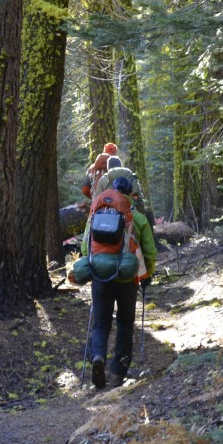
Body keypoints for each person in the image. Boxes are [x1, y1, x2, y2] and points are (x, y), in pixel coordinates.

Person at [82, 176, 157, 389]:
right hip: (127, 277)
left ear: (112, 191)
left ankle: (98, 357)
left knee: (100, 323)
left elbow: (85, 247)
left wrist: (96, 265)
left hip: (100, 276)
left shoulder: (96, 213)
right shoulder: (138, 218)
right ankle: (117, 373)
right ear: (131, 194)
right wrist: (147, 275)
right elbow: (150, 252)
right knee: (125, 323)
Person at [91, 155, 152, 225]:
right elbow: (138, 196)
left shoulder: (104, 178)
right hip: (130, 212)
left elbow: (96, 200)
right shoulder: (130, 174)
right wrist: (141, 214)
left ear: (108, 167)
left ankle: (86, 235)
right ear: (120, 165)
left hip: (109, 215)